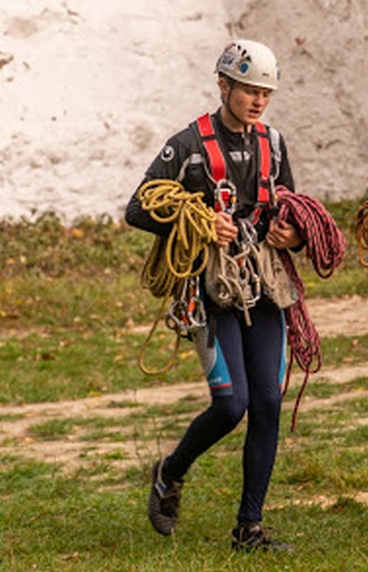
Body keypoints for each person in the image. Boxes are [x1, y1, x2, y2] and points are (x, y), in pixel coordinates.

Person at [125, 39, 302, 551]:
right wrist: (199, 221)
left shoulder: (274, 142)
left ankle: (250, 528)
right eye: (249, 90)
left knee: (267, 403)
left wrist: (294, 234)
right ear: (223, 85)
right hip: (209, 291)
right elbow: (138, 209)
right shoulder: (187, 145)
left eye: (265, 92)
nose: (258, 101)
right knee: (231, 405)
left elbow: (290, 205)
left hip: (265, 286)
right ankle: (170, 472)